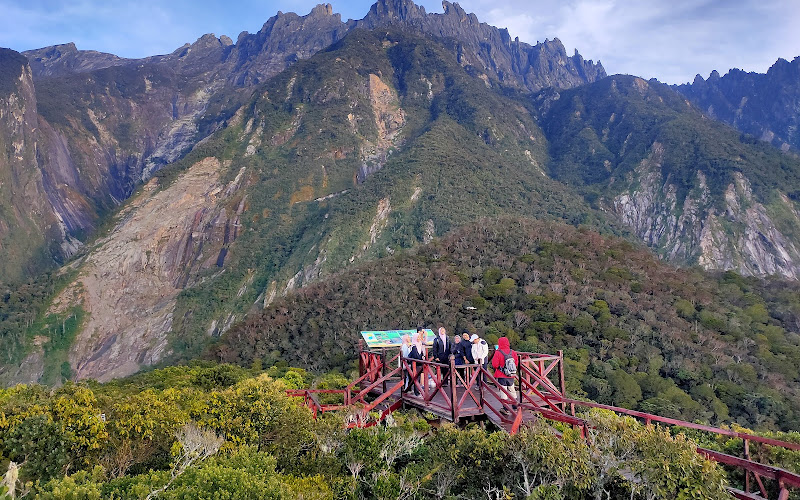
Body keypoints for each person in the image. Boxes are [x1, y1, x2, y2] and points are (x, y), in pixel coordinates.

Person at [491, 336, 519, 413]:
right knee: (512, 390)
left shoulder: (498, 352)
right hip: (511, 375)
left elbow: (495, 364)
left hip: (501, 375)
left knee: (503, 391)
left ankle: (505, 408)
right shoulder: (512, 352)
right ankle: (515, 406)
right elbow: (516, 363)